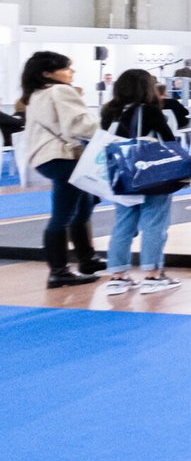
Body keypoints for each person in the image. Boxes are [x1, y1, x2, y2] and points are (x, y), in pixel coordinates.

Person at [19, 51, 101, 287]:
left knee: (81, 208)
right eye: (66, 68)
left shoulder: (36, 94)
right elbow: (78, 125)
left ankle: (87, 260)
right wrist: (108, 132)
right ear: (47, 73)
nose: (71, 72)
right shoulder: (61, 91)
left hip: (48, 158)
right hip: (64, 157)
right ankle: (59, 271)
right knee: (64, 215)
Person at [99, 69, 182, 297]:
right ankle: (153, 275)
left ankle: (117, 277)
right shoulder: (149, 110)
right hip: (149, 173)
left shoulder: (109, 111)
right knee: (154, 223)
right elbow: (168, 140)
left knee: (123, 224)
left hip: (119, 174)